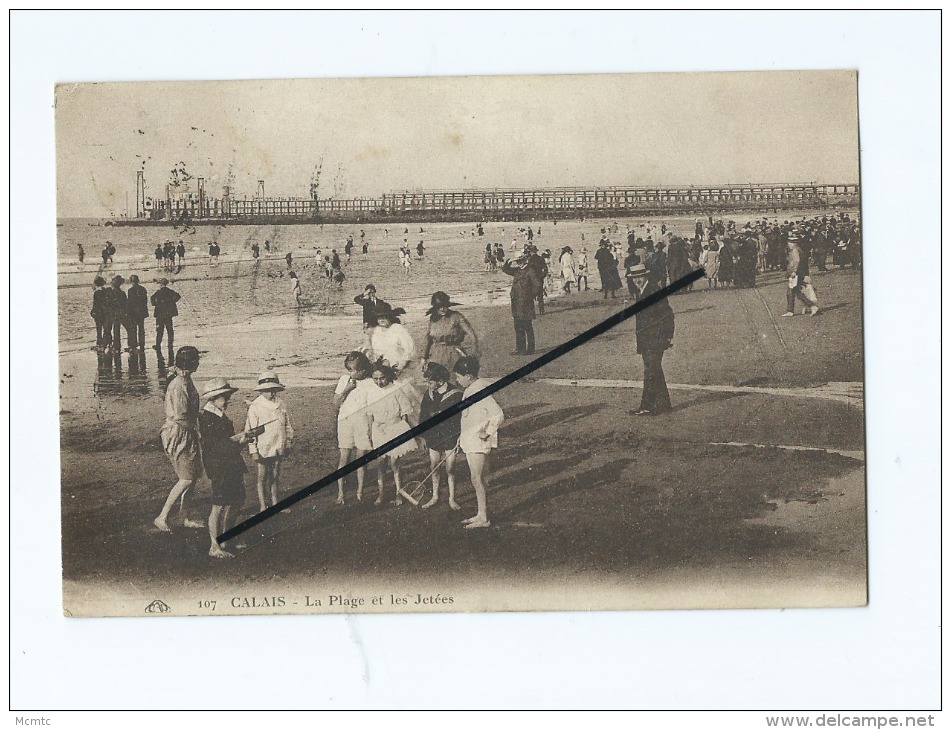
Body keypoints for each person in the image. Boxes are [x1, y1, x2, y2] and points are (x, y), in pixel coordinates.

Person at [199, 377, 254, 558]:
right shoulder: (206, 417)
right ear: (214, 398)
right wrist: (241, 441)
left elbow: (223, 441)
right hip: (219, 466)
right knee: (219, 504)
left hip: (230, 463)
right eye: (225, 397)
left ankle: (226, 538)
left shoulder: (216, 414)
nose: (228, 400)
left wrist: (239, 438)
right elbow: (215, 447)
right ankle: (214, 546)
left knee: (237, 499)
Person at [154, 346, 205, 533]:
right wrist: (198, 429)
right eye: (196, 360)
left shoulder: (185, 379)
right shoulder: (179, 385)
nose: (198, 362)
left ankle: (185, 516)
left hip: (185, 431)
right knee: (185, 478)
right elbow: (180, 416)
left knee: (192, 478)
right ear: (190, 363)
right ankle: (162, 516)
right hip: (179, 433)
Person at [453, 356, 503, 529]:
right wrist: (462, 435)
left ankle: (483, 518)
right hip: (470, 439)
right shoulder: (472, 387)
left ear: (468, 375)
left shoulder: (479, 389)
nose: (456, 380)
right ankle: (481, 514)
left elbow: (498, 414)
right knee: (479, 479)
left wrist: (487, 432)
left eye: (458, 376)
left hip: (478, 442)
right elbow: (469, 416)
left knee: (477, 479)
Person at [366, 363, 418, 506]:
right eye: (375, 378)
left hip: (395, 427)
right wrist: (370, 432)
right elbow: (370, 414)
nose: (379, 382)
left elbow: (405, 412)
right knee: (381, 463)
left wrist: (403, 432)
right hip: (379, 429)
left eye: (382, 378)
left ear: (388, 376)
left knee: (395, 463)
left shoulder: (396, 390)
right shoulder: (371, 392)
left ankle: (398, 492)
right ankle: (381, 493)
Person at [628, 264, 674, 416]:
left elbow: (667, 314)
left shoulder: (653, 290)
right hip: (647, 340)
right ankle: (664, 405)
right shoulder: (641, 292)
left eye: (640, 277)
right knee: (654, 370)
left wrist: (667, 336)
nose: (637, 280)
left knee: (651, 371)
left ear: (646, 276)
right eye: (635, 278)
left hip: (655, 339)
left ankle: (646, 405)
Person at [246, 371, 294, 513]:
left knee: (275, 475)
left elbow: (287, 425)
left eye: (273, 390)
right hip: (263, 446)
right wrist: (253, 450)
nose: (271, 394)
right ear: (261, 391)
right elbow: (251, 430)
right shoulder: (255, 406)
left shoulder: (281, 404)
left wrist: (289, 441)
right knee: (262, 476)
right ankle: (262, 506)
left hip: (278, 443)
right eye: (267, 391)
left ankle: (275, 503)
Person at [419, 362, 463, 511]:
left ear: (440, 381)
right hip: (433, 436)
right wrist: (424, 437)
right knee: (434, 467)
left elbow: (462, 418)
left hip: (450, 436)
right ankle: (435, 496)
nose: (428, 385)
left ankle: (452, 498)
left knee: (450, 469)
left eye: (430, 382)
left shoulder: (456, 394)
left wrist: (459, 438)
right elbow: (423, 416)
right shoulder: (429, 393)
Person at [334, 351, 377, 504]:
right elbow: (336, 402)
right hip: (345, 421)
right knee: (344, 458)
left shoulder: (371, 382)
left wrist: (372, 429)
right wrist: (348, 388)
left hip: (363, 422)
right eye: (348, 369)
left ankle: (360, 491)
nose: (349, 373)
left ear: (363, 370)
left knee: (361, 459)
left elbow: (372, 407)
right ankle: (341, 493)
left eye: (352, 370)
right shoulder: (345, 380)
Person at [422, 291, 479, 375]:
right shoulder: (433, 319)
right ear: (435, 307)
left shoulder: (456, 316)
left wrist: (474, 352)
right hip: (437, 353)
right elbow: (428, 339)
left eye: (444, 306)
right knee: (437, 377)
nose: (442, 309)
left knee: (458, 377)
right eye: (439, 307)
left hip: (454, 351)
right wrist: (424, 357)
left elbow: (472, 335)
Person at [502, 254, 540, 356]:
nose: (518, 263)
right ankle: (520, 349)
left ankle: (531, 349)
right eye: (517, 261)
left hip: (526, 304)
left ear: (524, 260)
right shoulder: (517, 271)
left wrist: (529, 296)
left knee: (527, 326)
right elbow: (505, 269)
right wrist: (508, 261)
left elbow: (537, 285)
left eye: (519, 260)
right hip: (516, 303)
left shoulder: (530, 270)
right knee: (518, 327)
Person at [782, 234, 819, 317]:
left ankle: (809, 306)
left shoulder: (794, 251)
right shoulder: (799, 249)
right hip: (799, 273)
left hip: (795, 274)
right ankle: (810, 306)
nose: (788, 244)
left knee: (791, 291)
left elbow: (795, 262)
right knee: (796, 291)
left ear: (792, 243)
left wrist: (793, 272)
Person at [369, 307, 415, 372]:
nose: (382, 319)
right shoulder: (377, 331)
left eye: (384, 317)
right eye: (379, 317)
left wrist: (401, 364)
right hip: (382, 365)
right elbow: (375, 350)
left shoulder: (398, 329)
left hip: (398, 365)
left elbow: (409, 348)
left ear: (390, 317)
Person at [151, 277, 181, 351]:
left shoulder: (158, 292)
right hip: (168, 314)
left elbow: (152, 300)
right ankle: (170, 344)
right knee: (170, 329)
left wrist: (157, 303)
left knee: (159, 330)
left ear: (161, 284)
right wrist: (172, 302)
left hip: (160, 314)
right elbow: (178, 296)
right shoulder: (170, 291)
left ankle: (158, 345)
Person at [104, 275, 127, 353]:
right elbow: (124, 305)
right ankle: (116, 346)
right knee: (116, 331)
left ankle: (108, 345)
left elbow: (106, 303)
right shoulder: (122, 293)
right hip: (118, 314)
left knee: (107, 329)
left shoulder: (109, 291)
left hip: (110, 313)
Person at [125, 274, 148, 351]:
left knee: (133, 329)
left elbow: (129, 303)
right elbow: (145, 301)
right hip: (141, 312)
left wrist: (128, 312)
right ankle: (142, 344)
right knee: (141, 328)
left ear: (131, 282)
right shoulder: (143, 289)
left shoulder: (130, 291)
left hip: (133, 313)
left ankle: (133, 344)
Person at [90, 276, 109, 349]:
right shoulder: (106, 291)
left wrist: (93, 312)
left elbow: (95, 304)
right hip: (105, 312)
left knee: (99, 328)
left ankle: (99, 343)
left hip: (98, 312)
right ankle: (106, 343)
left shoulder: (97, 292)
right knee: (105, 328)